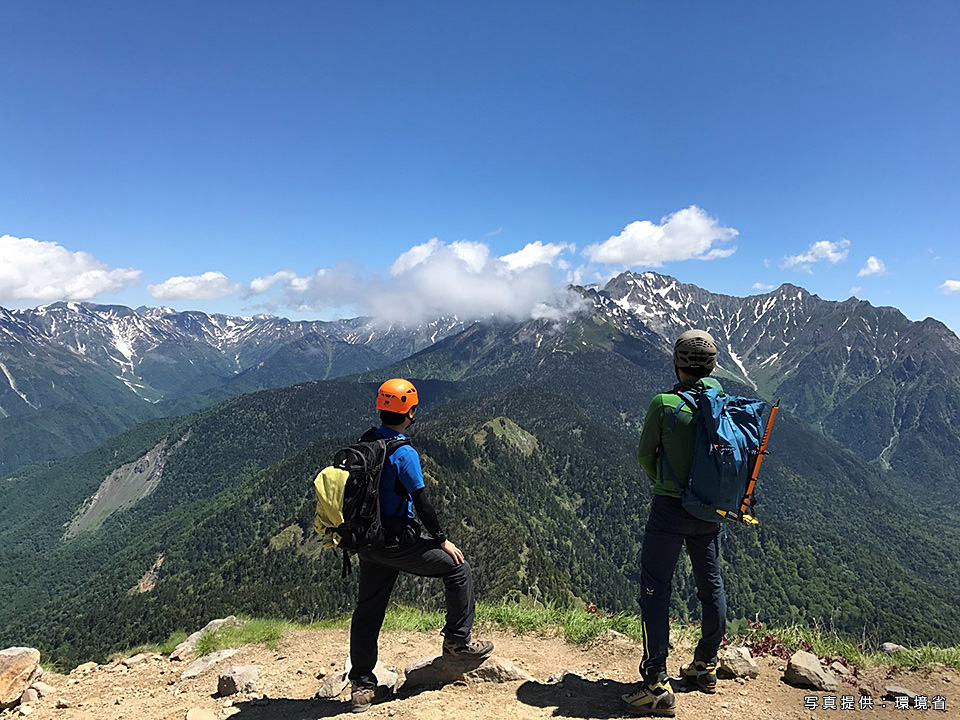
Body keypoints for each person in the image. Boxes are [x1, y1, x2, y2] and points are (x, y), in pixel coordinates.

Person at [348, 378, 494, 713]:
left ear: (381, 409)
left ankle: (362, 687)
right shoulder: (404, 453)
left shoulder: (366, 442)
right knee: (458, 569)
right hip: (398, 541)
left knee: (368, 611)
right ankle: (458, 642)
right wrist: (442, 540)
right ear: (410, 412)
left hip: (368, 542)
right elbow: (423, 503)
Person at [621, 330, 726, 717]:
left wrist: (663, 482)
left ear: (676, 364)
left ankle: (655, 681)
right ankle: (706, 666)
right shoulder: (725, 405)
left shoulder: (665, 404)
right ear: (713, 366)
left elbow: (645, 454)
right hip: (711, 512)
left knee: (655, 589)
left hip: (669, 508)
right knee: (710, 585)